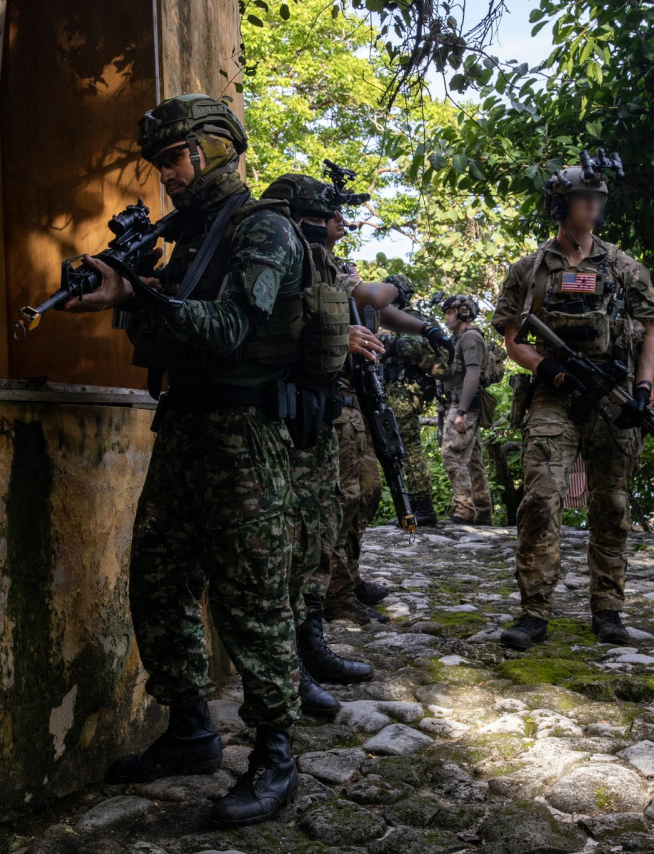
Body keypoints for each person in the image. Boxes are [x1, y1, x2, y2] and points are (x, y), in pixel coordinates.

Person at [63, 94, 302, 826]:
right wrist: (125, 293)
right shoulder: (190, 238)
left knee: (250, 599)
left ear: (217, 148)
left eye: (175, 158)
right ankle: (192, 730)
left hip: (243, 436)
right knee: (158, 581)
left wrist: (140, 291)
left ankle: (275, 754)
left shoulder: (265, 231)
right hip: (188, 430)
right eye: (159, 162)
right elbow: (170, 329)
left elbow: (230, 327)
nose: (166, 175)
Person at [490, 155, 654, 650]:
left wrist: (640, 388)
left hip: (614, 395)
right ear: (561, 205)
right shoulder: (529, 269)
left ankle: (608, 610)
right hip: (554, 395)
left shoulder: (624, 267)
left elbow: (651, 332)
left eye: (598, 200)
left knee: (611, 503)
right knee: (541, 497)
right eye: (583, 199)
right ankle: (534, 613)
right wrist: (551, 370)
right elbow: (514, 337)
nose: (593, 207)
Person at [258, 173, 384, 718]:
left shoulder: (327, 265)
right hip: (283, 418)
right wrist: (334, 334)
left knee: (318, 534)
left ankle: (312, 645)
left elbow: (369, 299)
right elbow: (265, 323)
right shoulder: (276, 253)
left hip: (321, 411)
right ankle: (294, 667)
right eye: (325, 214)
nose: (337, 223)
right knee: (288, 545)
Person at [319, 212, 448, 625]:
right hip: (332, 397)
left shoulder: (338, 268)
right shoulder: (313, 262)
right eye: (329, 214)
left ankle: (347, 579)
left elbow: (379, 312)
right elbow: (374, 297)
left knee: (367, 493)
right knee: (345, 498)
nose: (341, 221)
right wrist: (401, 284)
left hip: (357, 397)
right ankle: (334, 593)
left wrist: (426, 328)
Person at [378, 273, 449, 528]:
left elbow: (410, 350)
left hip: (404, 392)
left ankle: (422, 508)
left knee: (407, 450)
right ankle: (410, 508)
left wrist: (386, 340)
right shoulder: (397, 319)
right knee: (398, 451)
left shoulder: (411, 319)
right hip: (393, 391)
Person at [440, 295, 495, 525]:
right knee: (472, 459)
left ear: (462, 312)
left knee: (451, 454)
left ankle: (464, 510)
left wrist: (461, 411)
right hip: (460, 402)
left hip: (465, 405)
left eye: (449, 312)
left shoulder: (470, 338)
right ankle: (482, 511)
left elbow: (473, 373)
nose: (446, 317)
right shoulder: (459, 338)